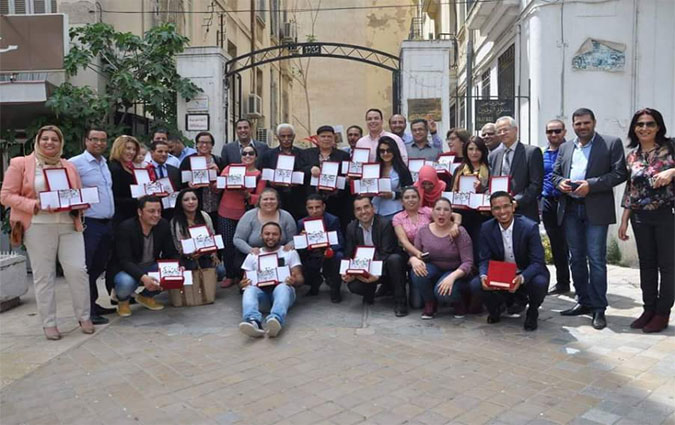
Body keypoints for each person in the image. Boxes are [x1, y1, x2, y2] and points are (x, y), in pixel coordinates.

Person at [1, 125, 94, 340]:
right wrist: (35, 204)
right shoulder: (21, 164)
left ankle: (84, 316)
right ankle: (49, 323)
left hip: (69, 226)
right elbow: (5, 195)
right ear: (38, 140)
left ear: (60, 143)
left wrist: (81, 203)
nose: (50, 142)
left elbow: (76, 193)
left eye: (54, 139)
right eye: (45, 139)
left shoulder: (68, 166)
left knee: (78, 271)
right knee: (44, 276)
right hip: (38, 225)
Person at [551, 108, 627, 330]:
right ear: (572, 125)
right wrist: (560, 183)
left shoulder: (611, 143)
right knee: (576, 258)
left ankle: (598, 308)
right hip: (571, 209)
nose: (582, 127)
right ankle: (582, 301)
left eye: (586, 123)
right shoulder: (565, 147)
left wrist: (591, 185)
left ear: (594, 122)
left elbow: (620, 173)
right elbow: (555, 174)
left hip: (596, 209)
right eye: (578, 124)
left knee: (596, 259)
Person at [617, 108, 674, 333]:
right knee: (647, 265)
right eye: (640, 124)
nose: (644, 128)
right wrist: (623, 221)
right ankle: (649, 309)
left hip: (666, 214)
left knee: (668, 266)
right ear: (634, 128)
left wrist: (672, 172)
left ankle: (663, 312)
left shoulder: (670, 148)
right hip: (639, 217)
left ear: (658, 126)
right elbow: (631, 190)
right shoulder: (632, 156)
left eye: (650, 124)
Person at [475, 191, 550, 331]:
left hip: (525, 272)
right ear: (491, 211)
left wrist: (521, 278)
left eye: (506, 206)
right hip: (502, 273)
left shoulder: (529, 227)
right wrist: (483, 276)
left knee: (540, 282)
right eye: (496, 208)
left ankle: (532, 311)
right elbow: (484, 259)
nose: (502, 211)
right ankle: (495, 309)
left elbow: (537, 262)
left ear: (513, 207)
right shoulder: (486, 228)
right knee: (476, 284)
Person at [69, 127, 116, 325]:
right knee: (86, 268)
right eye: (94, 139)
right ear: (86, 141)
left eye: (103, 140)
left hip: (107, 223)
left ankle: (93, 304)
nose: (99, 143)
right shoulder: (75, 163)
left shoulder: (105, 163)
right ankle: (86, 312)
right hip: (90, 223)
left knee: (98, 266)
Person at [109, 196, 179, 317]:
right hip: (127, 269)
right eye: (151, 211)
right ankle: (123, 301)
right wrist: (143, 278)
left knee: (173, 271)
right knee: (125, 282)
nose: (156, 215)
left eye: (159, 211)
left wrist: (177, 267)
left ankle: (146, 296)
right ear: (140, 212)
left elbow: (170, 252)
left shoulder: (163, 225)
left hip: (150, 265)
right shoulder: (126, 228)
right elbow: (124, 261)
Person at [410, 197, 474, 319]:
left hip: (456, 271)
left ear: (451, 213)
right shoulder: (423, 231)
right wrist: (413, 260)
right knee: (417, 272)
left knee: (442, 292)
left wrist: (452, 277)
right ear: (432, 212)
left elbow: (468, 262)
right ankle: (430, 303)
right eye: (438, 209)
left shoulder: (460, 231)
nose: (441, 213)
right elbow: (415, 254)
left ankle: (458, 302)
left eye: (446, 210)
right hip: (433, 268)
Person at [342, 196, 408, 316]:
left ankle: (400, 302)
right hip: (365, 268)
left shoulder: (385, 224)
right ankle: (369, 292)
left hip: (385, 266)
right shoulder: (351, 228)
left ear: (373, 208)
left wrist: (374, 273)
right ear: (355, 213)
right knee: (353, 286)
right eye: (359, 209)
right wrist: (347, 272)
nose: (363, 212)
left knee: (395, 259)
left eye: (366, 207)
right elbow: (349, 253)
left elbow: (386, 252)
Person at [238, 222, 304, 338]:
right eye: (267, 234)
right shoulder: (253, 255)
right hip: (262, 297)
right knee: (249, 289)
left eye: (274, 234)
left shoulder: (289, 252)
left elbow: (300, 278)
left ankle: (275, 320)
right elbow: (243, 282)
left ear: (280, 236)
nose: (270, 237)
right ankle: (253, 321)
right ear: (261, 235)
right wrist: (242, 284)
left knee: (283, 286)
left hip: (283, 295)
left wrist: (294, 280)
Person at [217, 145, 267, 288]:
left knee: (244, 245)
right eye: (244, 153)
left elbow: (259, 198)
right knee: (227, 245)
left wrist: (247, 195)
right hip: (225, 212)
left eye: (251, 153)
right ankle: (229, 274)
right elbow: (217, 186)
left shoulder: (259, 175)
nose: (247, 156)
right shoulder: (229, 168)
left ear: (256, 156)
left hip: (246, 215)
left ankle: (242, 275)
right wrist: (224, 181)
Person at [489, 116, 544, 223]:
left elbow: (536, 185)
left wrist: (515, 201)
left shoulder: (531, 152)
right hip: (499, 214)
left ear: (515, 130)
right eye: (499, 131)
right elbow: (491, 182)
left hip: (524, 212)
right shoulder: (494, 155)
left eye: (505, 129)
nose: (502, 133)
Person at [300, 125, 352, 230]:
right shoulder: (306, 153)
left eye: (329, 137)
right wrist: (310, 169)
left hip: (335, 199)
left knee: (335, 227)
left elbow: (347, 174)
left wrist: (344, 180)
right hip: (313, 199)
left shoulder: (343, 155)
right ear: (317, 138)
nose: (326, 139)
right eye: (323, 136)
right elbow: (299, 169)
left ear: (334, 139)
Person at [541, 119, 571, 295]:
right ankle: (562, 282)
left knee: (573, 244)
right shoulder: (542, 153)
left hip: (567, 202)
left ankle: (583, 284)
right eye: (550, 131)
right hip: (547, 202)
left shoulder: (572, 151)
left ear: (564, 132)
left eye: (557, 131)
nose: (553, 134)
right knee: (556, 244)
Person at [297, 194, 344, 302]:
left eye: (317, 207)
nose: (314, 211)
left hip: (327, 251)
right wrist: (302, 240)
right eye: (310, 208)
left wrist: (330, 248)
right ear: (306, 209)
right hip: (310, 253)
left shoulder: (332, 220)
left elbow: (340, 242)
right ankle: (313, 283)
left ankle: (335, 288)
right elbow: (298, 249)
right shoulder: (301, 223)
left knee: (339, 256)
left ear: (323, 207)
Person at [233, 187, 297, 267]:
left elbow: (293, 239)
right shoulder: (249, 216)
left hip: (280, 257)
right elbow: (238, 239)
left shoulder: (286, 216)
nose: (269, 202)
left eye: (272, 199)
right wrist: (250, 250)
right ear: (259, 201)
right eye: (265, 199)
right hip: (254, 258)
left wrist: (290, 245)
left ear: (278, 201)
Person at [452, 136, 492, 262]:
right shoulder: (458, 170)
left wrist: (482, 188)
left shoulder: (490, 169)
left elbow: (494, 192)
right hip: (462, 215)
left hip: (483, 216)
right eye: (471, 149)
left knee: (479, 249)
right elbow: (452, 194)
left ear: (483, 151)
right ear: (465, 151)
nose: (474, 153)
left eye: (477, 149)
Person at [170, 189, 222, 277]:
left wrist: (214, 255)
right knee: (193, 268)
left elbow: (212, 236)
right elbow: (178, 246)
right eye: (186, 200)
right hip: (186, 257)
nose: (191, 202)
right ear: (180, 203)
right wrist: (190, 254)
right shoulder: (176, 221)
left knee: (221, 271)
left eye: (194, 199)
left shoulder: (204, 216)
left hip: (206, 254)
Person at [261, 123, 306, 220]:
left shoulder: (303, 154)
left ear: (294, 136)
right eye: (283, 136)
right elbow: (263, 175)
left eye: (289, 136)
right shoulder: (268, 155)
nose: (286, 139)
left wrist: (297, 180)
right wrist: (271, 182)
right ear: (277, 137)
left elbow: (305, 173)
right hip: (276, 199)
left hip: (297, 199)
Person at [179, 131, 224, 225]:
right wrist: (189, 185)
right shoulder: (188, 160)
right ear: (197, 144)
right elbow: (181, 182)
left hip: (216, 207)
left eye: (208, 143)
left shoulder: (218, 161)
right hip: (196, 206)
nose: (204, 145)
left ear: (212, 145)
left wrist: (217, 173)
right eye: (201, 142)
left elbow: (225, 181)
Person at [372, 136, 413, 219]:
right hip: (375, 210)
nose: (385, 154)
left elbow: (410, 192)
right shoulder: (373, 169)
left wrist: (393, 195)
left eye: (389, 150)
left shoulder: (402, 170)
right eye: (382, 151)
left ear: (394, 151)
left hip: (395, 211)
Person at [109, 135, 141, 225]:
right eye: (128, 148)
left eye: (134, 149)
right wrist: (137, 199)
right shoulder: (115, 169)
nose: (132, 152)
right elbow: (114, 198)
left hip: (130, 216)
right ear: (119, 148)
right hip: (120, 219)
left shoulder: (128, 168)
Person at [148, 140, 181, 220]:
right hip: (152, 210)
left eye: (166, 152)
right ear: (152, 153)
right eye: (160, 151)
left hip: (171, 210)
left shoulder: (174, 170)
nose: (164, 154)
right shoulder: (146, 170)